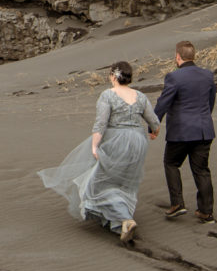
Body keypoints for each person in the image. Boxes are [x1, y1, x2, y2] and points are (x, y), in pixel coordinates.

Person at [38, 61, 160, 243]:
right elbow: (154, 122)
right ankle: (119, 220)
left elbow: (101, 124)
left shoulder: (108, 95)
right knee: (125, 181)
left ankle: (125, 219)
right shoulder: (140, 96)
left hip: (116, 141)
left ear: (113, 76)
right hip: (138, 142)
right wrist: (154, 132)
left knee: (100, 182)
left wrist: (95, 146)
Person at [153, 40, 216, 223]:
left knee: (171, 163)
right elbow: (210, 102)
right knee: (202, 170)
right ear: (193, 56)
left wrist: (153, 125)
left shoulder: (174, 77)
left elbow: (163, 103)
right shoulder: (207, 75)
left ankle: (177, 204)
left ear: (178, 57)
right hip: (204, 130)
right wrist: (203, 119)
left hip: (181, 131)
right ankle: (206, 211)